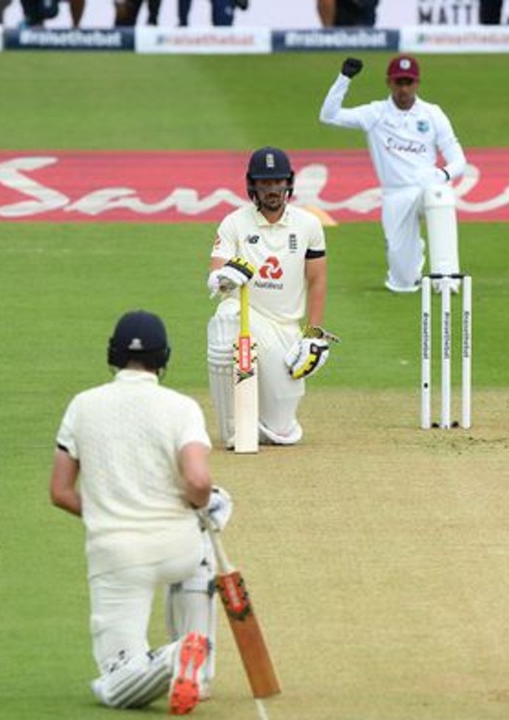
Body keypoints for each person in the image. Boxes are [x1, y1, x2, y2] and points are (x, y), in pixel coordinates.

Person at [50, 309, 231, 714]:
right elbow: (199, 483)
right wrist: (197, 510)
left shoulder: (83, 405)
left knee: (116, 682)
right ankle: (195, 671)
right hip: (177, 547)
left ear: (113, 354)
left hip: (117, 556)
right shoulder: (181, 407)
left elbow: (60, 492)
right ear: (162, 358)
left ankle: (171, 659)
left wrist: (105, 512)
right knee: (204, 526)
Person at [206, 146, 334, 447]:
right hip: (248, 316)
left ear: (288, 183)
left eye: (277, 181)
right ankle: (233, 430)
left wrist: (313, 334)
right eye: (265, 182)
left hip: (284, 329)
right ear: (253, 185)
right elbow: (215, 279)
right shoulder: (234, 222)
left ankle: (264, 423)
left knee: (281, 428)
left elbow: (317, 279)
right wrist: (225, 278)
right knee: (226, 316)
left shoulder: (308, 225)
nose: (272, 189)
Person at [319, 55, 467, 293]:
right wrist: (344, 78)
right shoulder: (375, 113)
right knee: (403, 283)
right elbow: (329, 115)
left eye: (409, 82)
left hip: (426, 189)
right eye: (399, 82)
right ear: (389, 82)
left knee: (441, 195)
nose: (404, 88)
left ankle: (447, 279)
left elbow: (459, 160)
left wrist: (441, 176)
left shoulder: (432, 114)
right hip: (395, 195)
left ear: (417, 83)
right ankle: (410, 262)